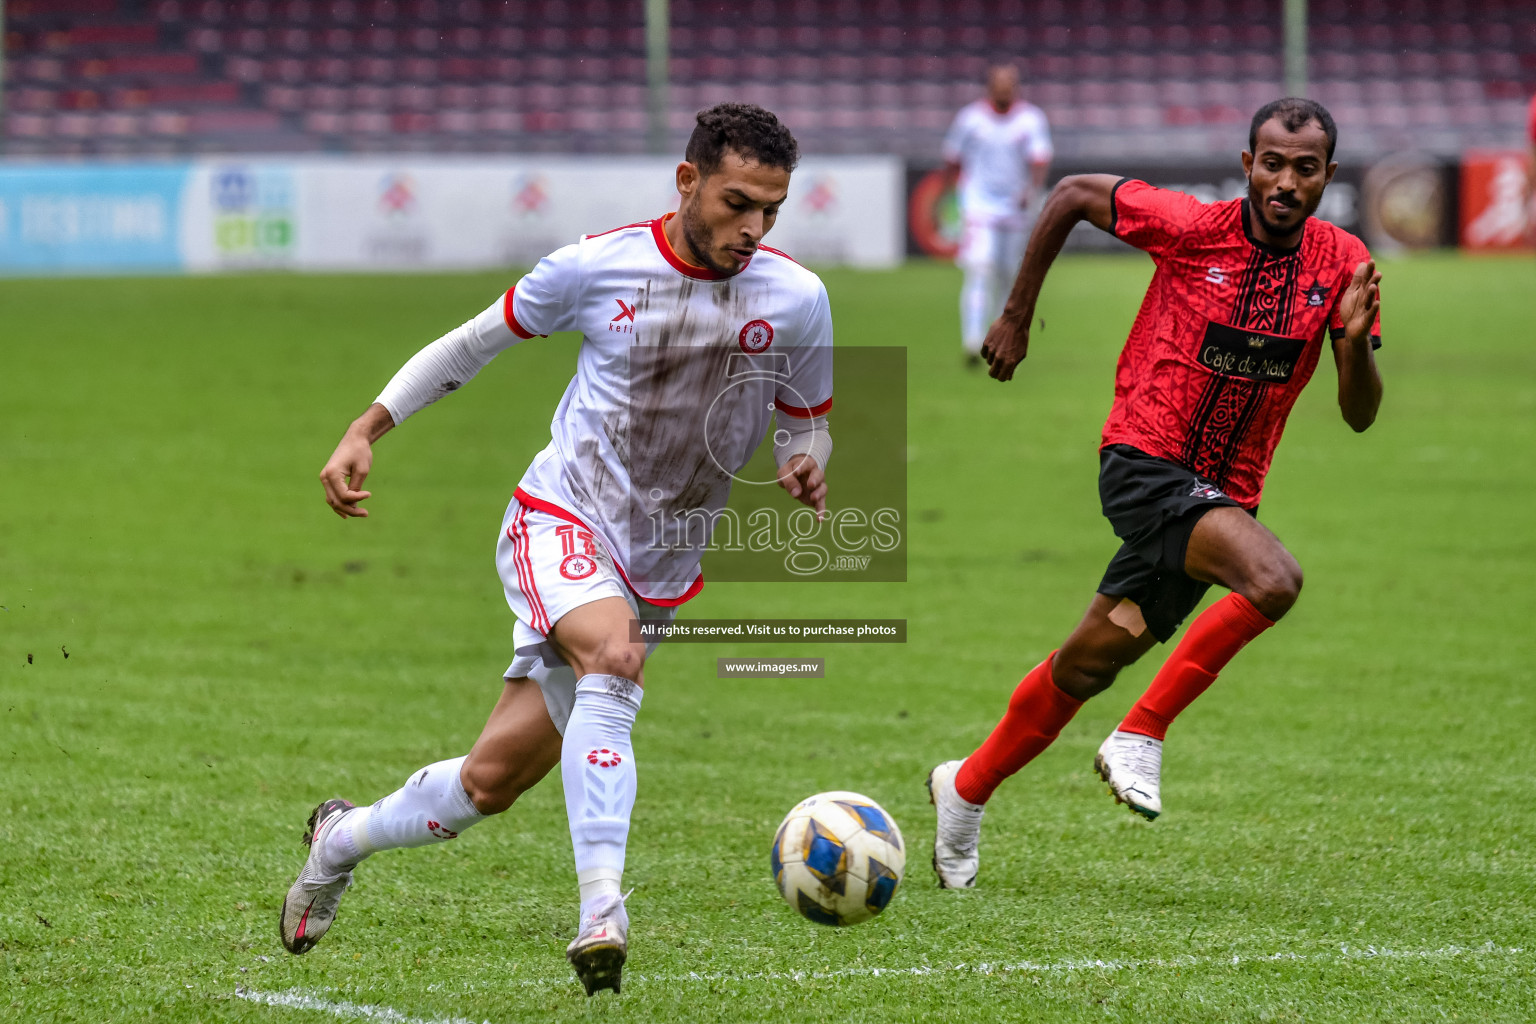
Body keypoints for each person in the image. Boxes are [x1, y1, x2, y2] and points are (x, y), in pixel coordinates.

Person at [278, 104, 834, 995]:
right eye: (737, 203)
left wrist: (806, 464)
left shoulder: (797, 297)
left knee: (487, 785)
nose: (754, 228)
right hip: (559, 518)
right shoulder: (595, 266)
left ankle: (339, 840)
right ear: (688, 181)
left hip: (660, 562)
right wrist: (368, 426)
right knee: (615, 662)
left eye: (772, 209)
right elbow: (472, 346)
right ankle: (601, 912)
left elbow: (809, 422)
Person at [928, 98, 1383, 888]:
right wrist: (1016, 314)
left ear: (1327, 177)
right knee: (1274, 580)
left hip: (1224, 496)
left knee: (1088, 663)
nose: (1285, 181)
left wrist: (1351, 345)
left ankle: (963, 790)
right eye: (1271, 163)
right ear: (1248, 165)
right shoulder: (1190, 227)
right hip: (1144, 459)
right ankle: (1142, 733)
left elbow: (1359, 415)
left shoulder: (1344, 263)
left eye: (1304, 169)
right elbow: (1070, 193)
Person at [941, 63, 1054, 366]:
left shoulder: (1030, 119)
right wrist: (953, 196)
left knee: (1007, 275)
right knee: (980, 268)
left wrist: (1032, 191)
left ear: (1016, 87)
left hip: (1014, 208)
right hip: (978, 206)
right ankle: (972, 339)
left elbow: (1040, 158)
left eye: (1010, 84)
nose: (1005, 90)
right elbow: (952, 157)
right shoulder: (970, 119)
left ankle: (998, 338)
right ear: (990, 87)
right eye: (1000, 84)